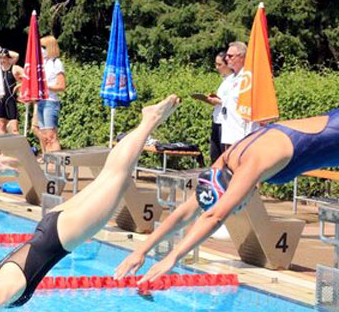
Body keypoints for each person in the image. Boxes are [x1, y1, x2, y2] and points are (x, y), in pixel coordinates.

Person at [0, 96, 180, 312]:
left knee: (117, 177)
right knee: (111, 176)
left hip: (63, 235)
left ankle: (149, 120)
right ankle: (148, 121)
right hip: (51, 225)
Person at [115, 108, 339, 285]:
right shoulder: (225, 161)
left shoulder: (252, 164)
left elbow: (214, 216)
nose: (244, 203)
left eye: (238, 204)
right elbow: (187, 210)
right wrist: (141, 250)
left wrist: (171, 258)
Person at [221, 41, 256, 149]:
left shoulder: (248, 79)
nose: (226, 58)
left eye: (230, 56)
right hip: (229, 135)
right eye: (227, 55)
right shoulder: (230, 79)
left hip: (242, 136)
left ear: (242, 57)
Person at [36, 35, 65, 154]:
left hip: (50, 102)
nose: (40, 50)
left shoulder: (56, 63)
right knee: (45, 136)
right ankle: (49, 165)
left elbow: (61, 86)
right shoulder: (42, 63)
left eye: (42, 47)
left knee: (51, 136)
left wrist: (46, 86)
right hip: (40, 102)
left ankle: (57, 167)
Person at [0, 48, 23, 135]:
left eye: (4, 58)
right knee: (1, 126)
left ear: (9, 58)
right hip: (0, 100)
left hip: (10, 99)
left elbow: (28, 78)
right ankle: (1, 147)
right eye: (0, 58)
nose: (2, 60)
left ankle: (17, 148)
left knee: (14, 128)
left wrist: (19, 86)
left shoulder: (14, 68)